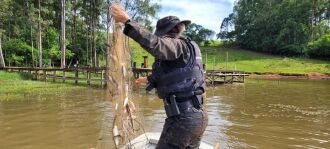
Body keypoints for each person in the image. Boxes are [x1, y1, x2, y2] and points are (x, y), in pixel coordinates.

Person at [111, 4, 208, 149]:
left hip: (183, 118)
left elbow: (157, 45)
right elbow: (175, 73)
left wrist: (127, 22)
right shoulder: (188, 48)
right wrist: (148, 79)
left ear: (167, 33)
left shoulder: (177, 45)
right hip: (199, 117)